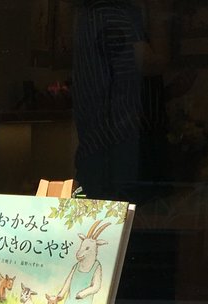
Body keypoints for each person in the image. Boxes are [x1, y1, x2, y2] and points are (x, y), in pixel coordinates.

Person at [71, 0, 170, 200]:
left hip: (106, 146)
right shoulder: (109, 15)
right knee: (127, 213)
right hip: (115, 146)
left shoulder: (94, 15)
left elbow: (122, 84)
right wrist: (158, 13)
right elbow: (152, 64)